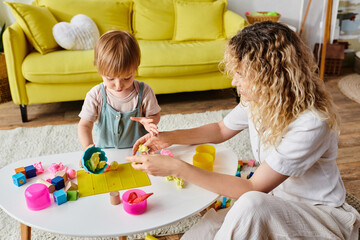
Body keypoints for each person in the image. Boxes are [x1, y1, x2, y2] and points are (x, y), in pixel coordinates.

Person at [126, 21, 360, 239]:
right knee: (207, 227)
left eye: (241, 74)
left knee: (250, 205)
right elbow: (220, 129)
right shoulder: (261, 99)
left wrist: (177, 168)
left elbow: (252, 187)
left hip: (320, 216)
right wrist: (169, 137)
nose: (233, 82)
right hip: (274, 199)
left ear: (271, 78)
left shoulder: (312, 123)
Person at [78, 30, 161, 150]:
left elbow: (155, 115)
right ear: (99, 70)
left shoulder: (144, 92)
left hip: (139, 150)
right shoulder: (96, 95)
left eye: (127, 78)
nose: (118, 85)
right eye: (110, 78)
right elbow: (84, 125)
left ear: (135, 68)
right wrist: (88, 149)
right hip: (107, 153)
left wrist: (149, 121)